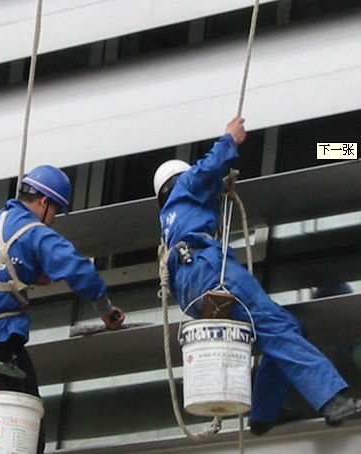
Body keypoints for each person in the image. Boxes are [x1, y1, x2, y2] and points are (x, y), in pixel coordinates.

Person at [153, 116, 361, 436]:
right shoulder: (187, 185)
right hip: (210, 270)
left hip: (194, 289)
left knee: (288, 328)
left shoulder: (171, 220)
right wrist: (229, 139)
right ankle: (332, 400)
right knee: (277, 328)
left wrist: (220, 186)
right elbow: (207, 169)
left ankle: (264, 411)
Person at [0, 164, 125, 453]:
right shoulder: (36, 234)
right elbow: (80, 271)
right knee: (27, 411)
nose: (54, 220)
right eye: (56, 211)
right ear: (45, 202)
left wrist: (33, 274)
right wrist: (105, 309)